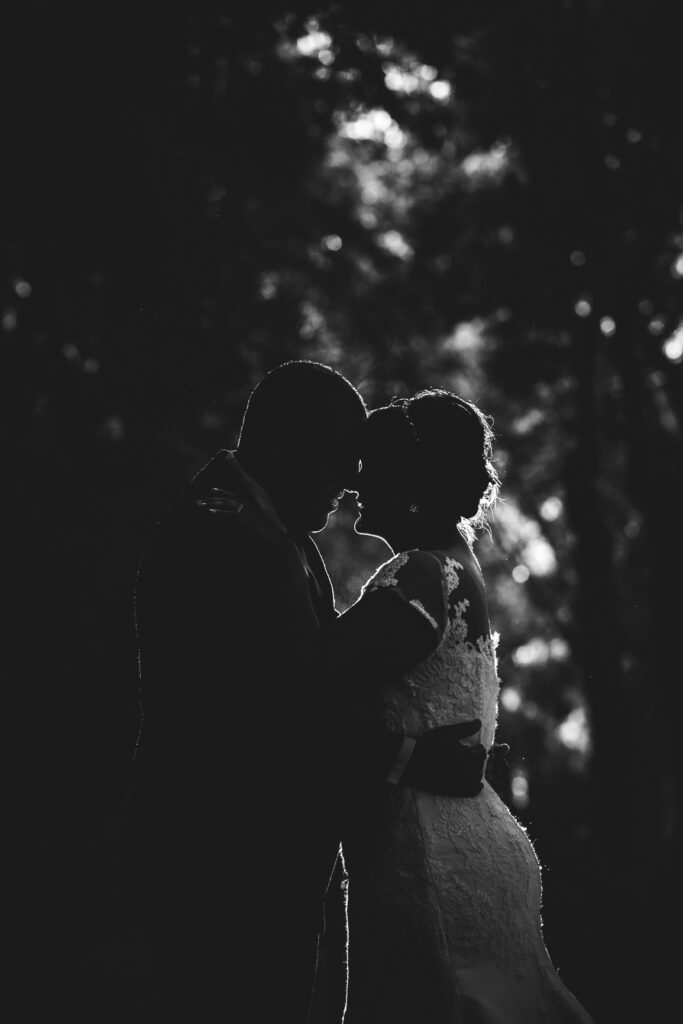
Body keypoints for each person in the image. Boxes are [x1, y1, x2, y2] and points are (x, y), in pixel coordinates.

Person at [121, 361, 488, 1022]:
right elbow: (276, 709)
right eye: (339, 459)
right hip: (216, 866)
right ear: (286, 447)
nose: (351, 482)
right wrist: (409, 756)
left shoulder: (278, 530)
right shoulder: (222, 535)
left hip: (270, 870)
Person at [315, 389, 597, 1022]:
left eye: (372, 463)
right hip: (465, 843)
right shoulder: (454, 567)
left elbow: (304, 689)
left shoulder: (418, 574)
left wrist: (402, 757)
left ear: (410, 480)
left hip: (429, 860)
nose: (356, 479)